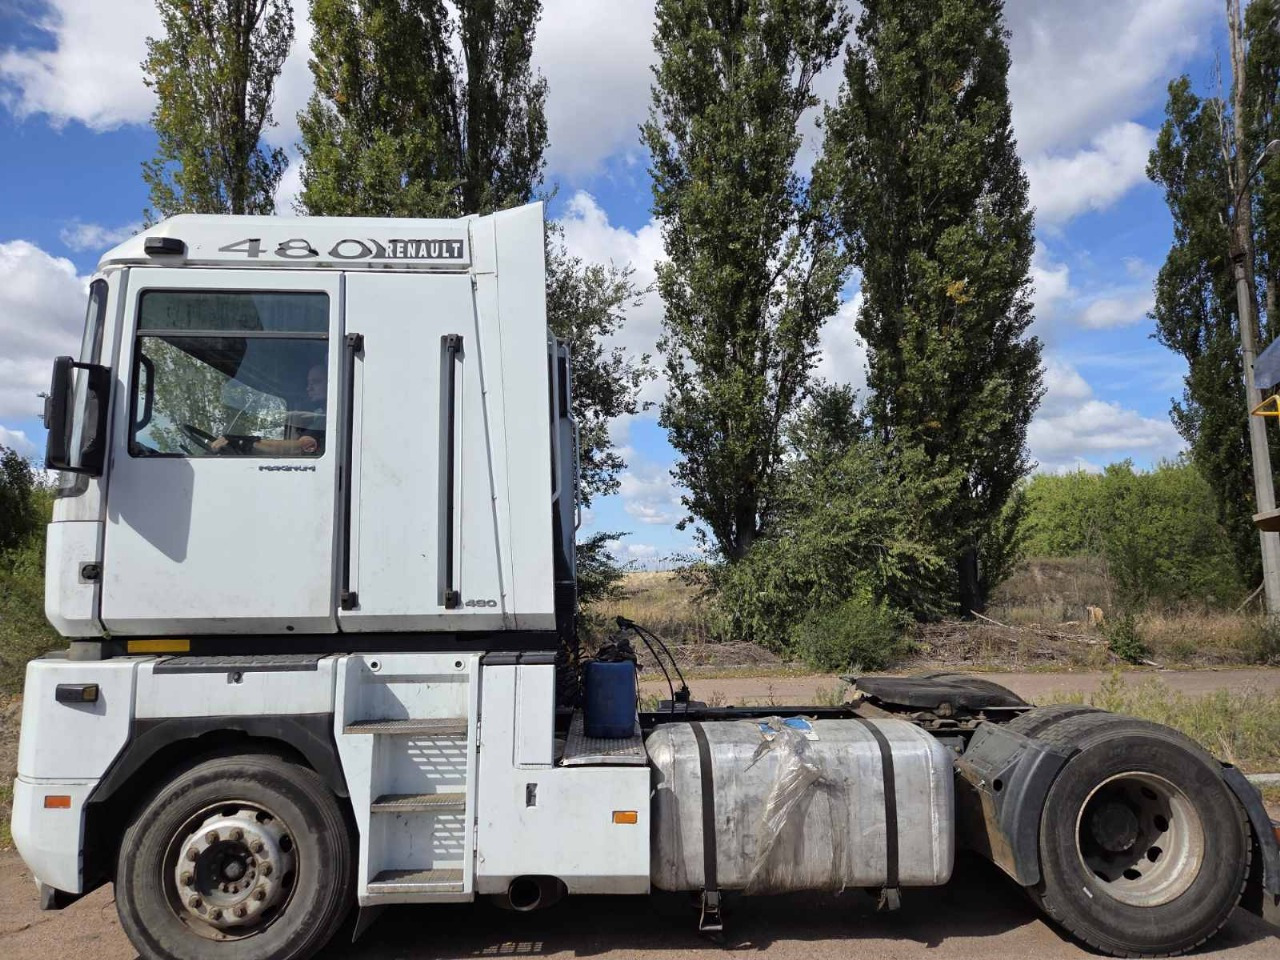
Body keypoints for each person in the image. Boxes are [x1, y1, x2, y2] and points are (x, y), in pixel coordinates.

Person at [211, 362, 326, 456]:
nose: (308, 388)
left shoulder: (325, 419)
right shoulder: (316, 417)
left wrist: (244, 443)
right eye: (308, 383)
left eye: (316, 382)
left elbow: (301, 447)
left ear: (331, 382)